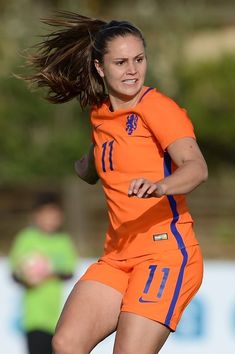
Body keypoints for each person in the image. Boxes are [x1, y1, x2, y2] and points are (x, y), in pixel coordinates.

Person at [20, 11, 208, 354]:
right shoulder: (100, 113)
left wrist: (161, 185)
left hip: (164, 254)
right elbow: (108, 154)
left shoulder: (159, 109)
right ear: (100, 68)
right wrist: (86, 167)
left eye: (138, 59)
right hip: (118, 256)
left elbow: (196, 167)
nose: (132, 70)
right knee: (65, 343)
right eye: (121, 62)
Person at [9, 192, 77, 354]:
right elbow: (15, 273)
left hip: (58, 317)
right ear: (36, 216)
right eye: (46, 215)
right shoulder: (26, 239)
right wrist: (28, 278)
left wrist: (48, 273)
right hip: (34, 317)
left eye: (55, 215)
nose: (51, 219)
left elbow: (68, 272)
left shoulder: (63, 241)